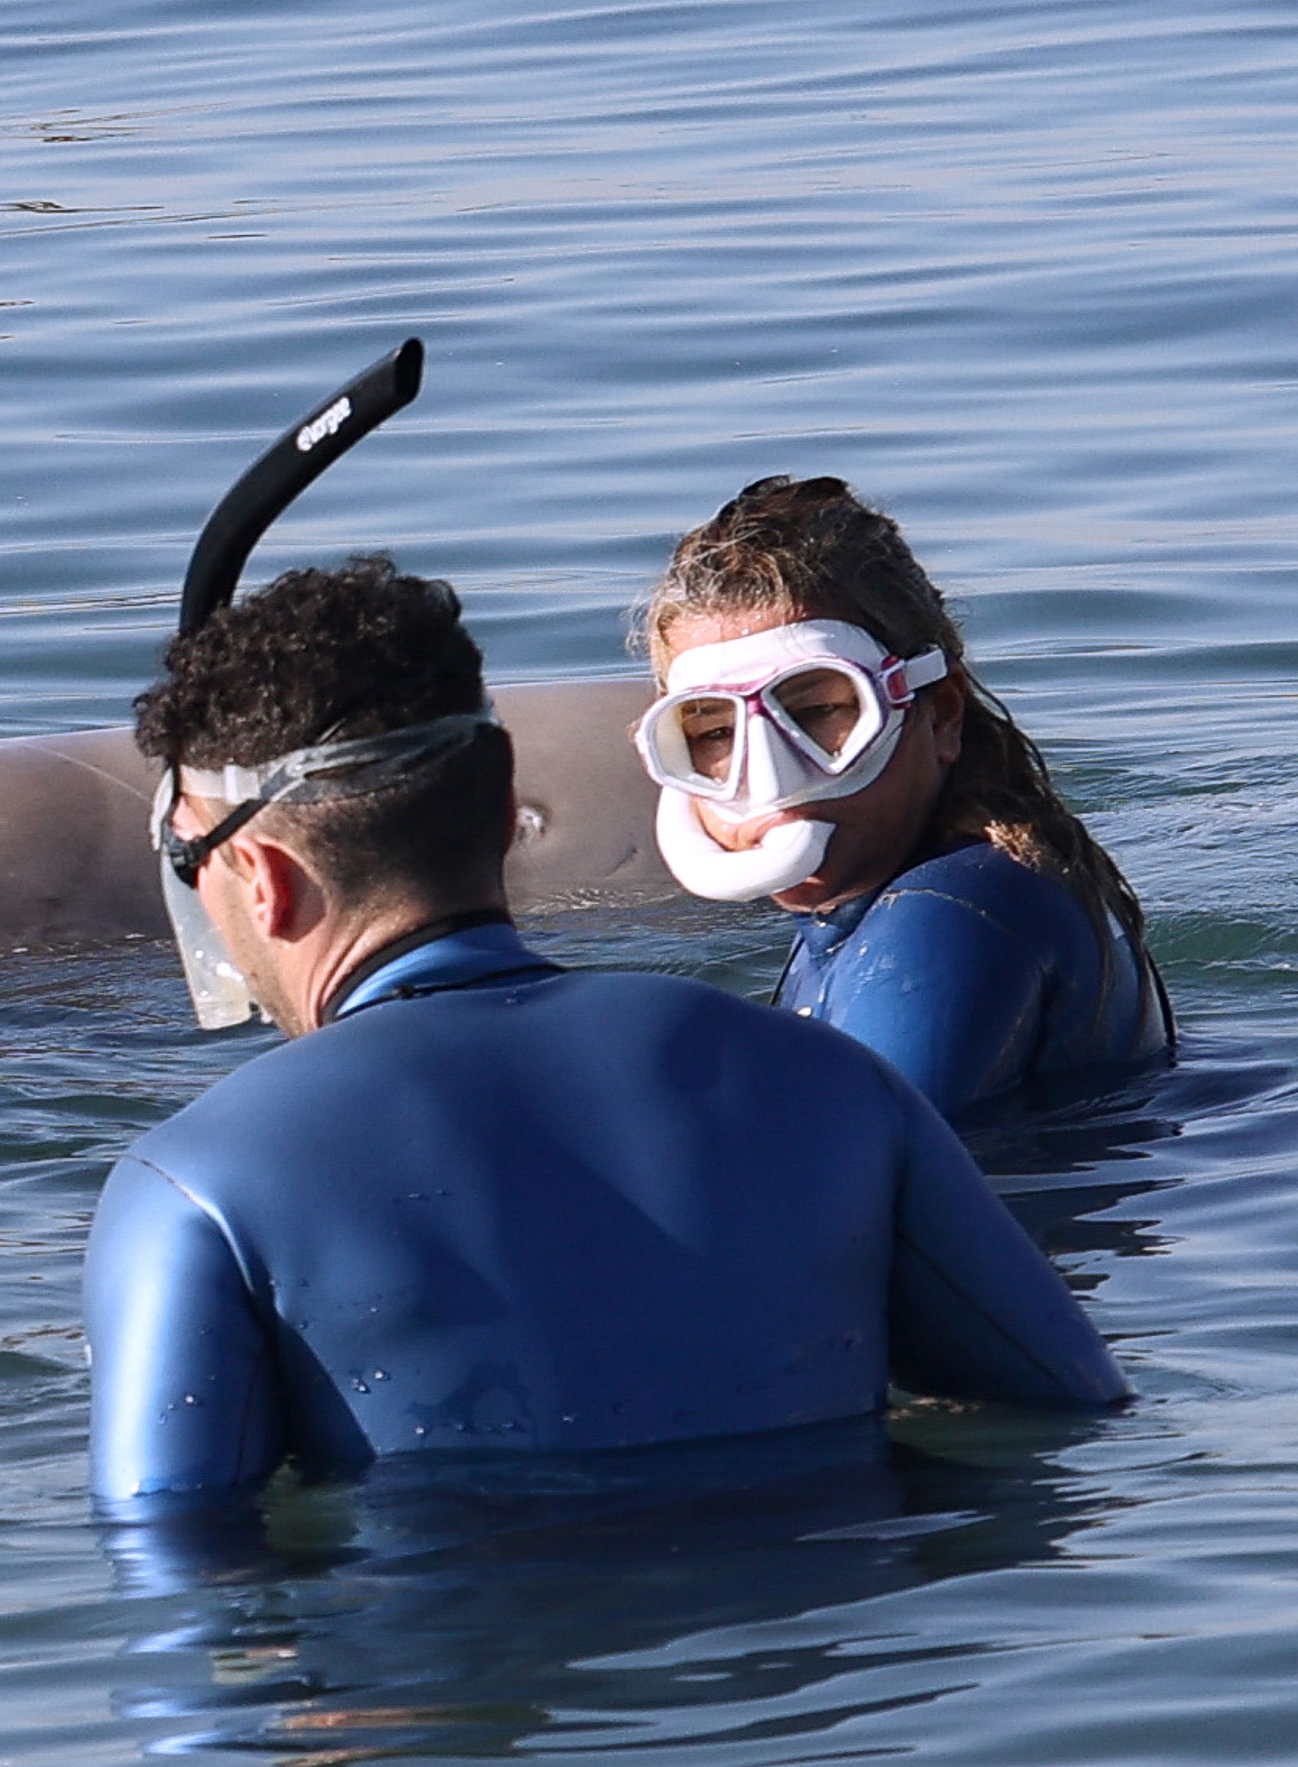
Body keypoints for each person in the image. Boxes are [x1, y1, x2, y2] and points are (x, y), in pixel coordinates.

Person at [87, 553, 1123, 1507]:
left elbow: (173, 1564)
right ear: (503, 816)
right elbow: (1064, 1410)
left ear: (259, 879)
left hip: (449, 1692)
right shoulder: (829, 1083)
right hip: (824, 1685)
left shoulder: (188, 1188)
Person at [634, 474, 1171, 1118]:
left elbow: (842, 1189)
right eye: (716, 732)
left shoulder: (945, 919)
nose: (769, 779)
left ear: (940, 716)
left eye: (821, 711)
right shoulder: (878, 912)